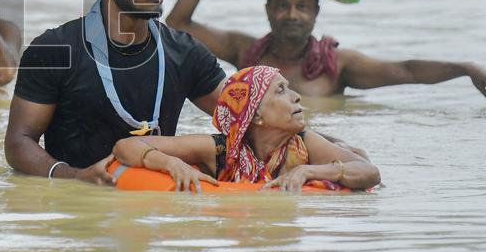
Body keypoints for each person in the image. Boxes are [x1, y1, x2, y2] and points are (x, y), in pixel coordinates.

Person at [4, 0, 228, 185]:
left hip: (155, 208)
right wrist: (75, 177)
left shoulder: (186, 53)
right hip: (80, 209)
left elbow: (246, 118)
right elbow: (19, 142)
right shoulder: (53, 50)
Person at [166, 0, 486, 97]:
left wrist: (464, 68)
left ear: (316, 13)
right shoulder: (244, 51)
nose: (292, 15)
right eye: (282, 5)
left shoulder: (338, 65)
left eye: (302, 7)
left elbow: (406, 70)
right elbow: (177, 24)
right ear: (267, 10)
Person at [113, 66, 381, 192]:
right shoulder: (221, 150)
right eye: (280, 91)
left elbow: (370, 172)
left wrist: (308, 170)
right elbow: (126, 145)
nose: (296, 96)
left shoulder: (304, 144)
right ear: (256, 117)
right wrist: (171, 164)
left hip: (331, 154)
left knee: (349, 151)